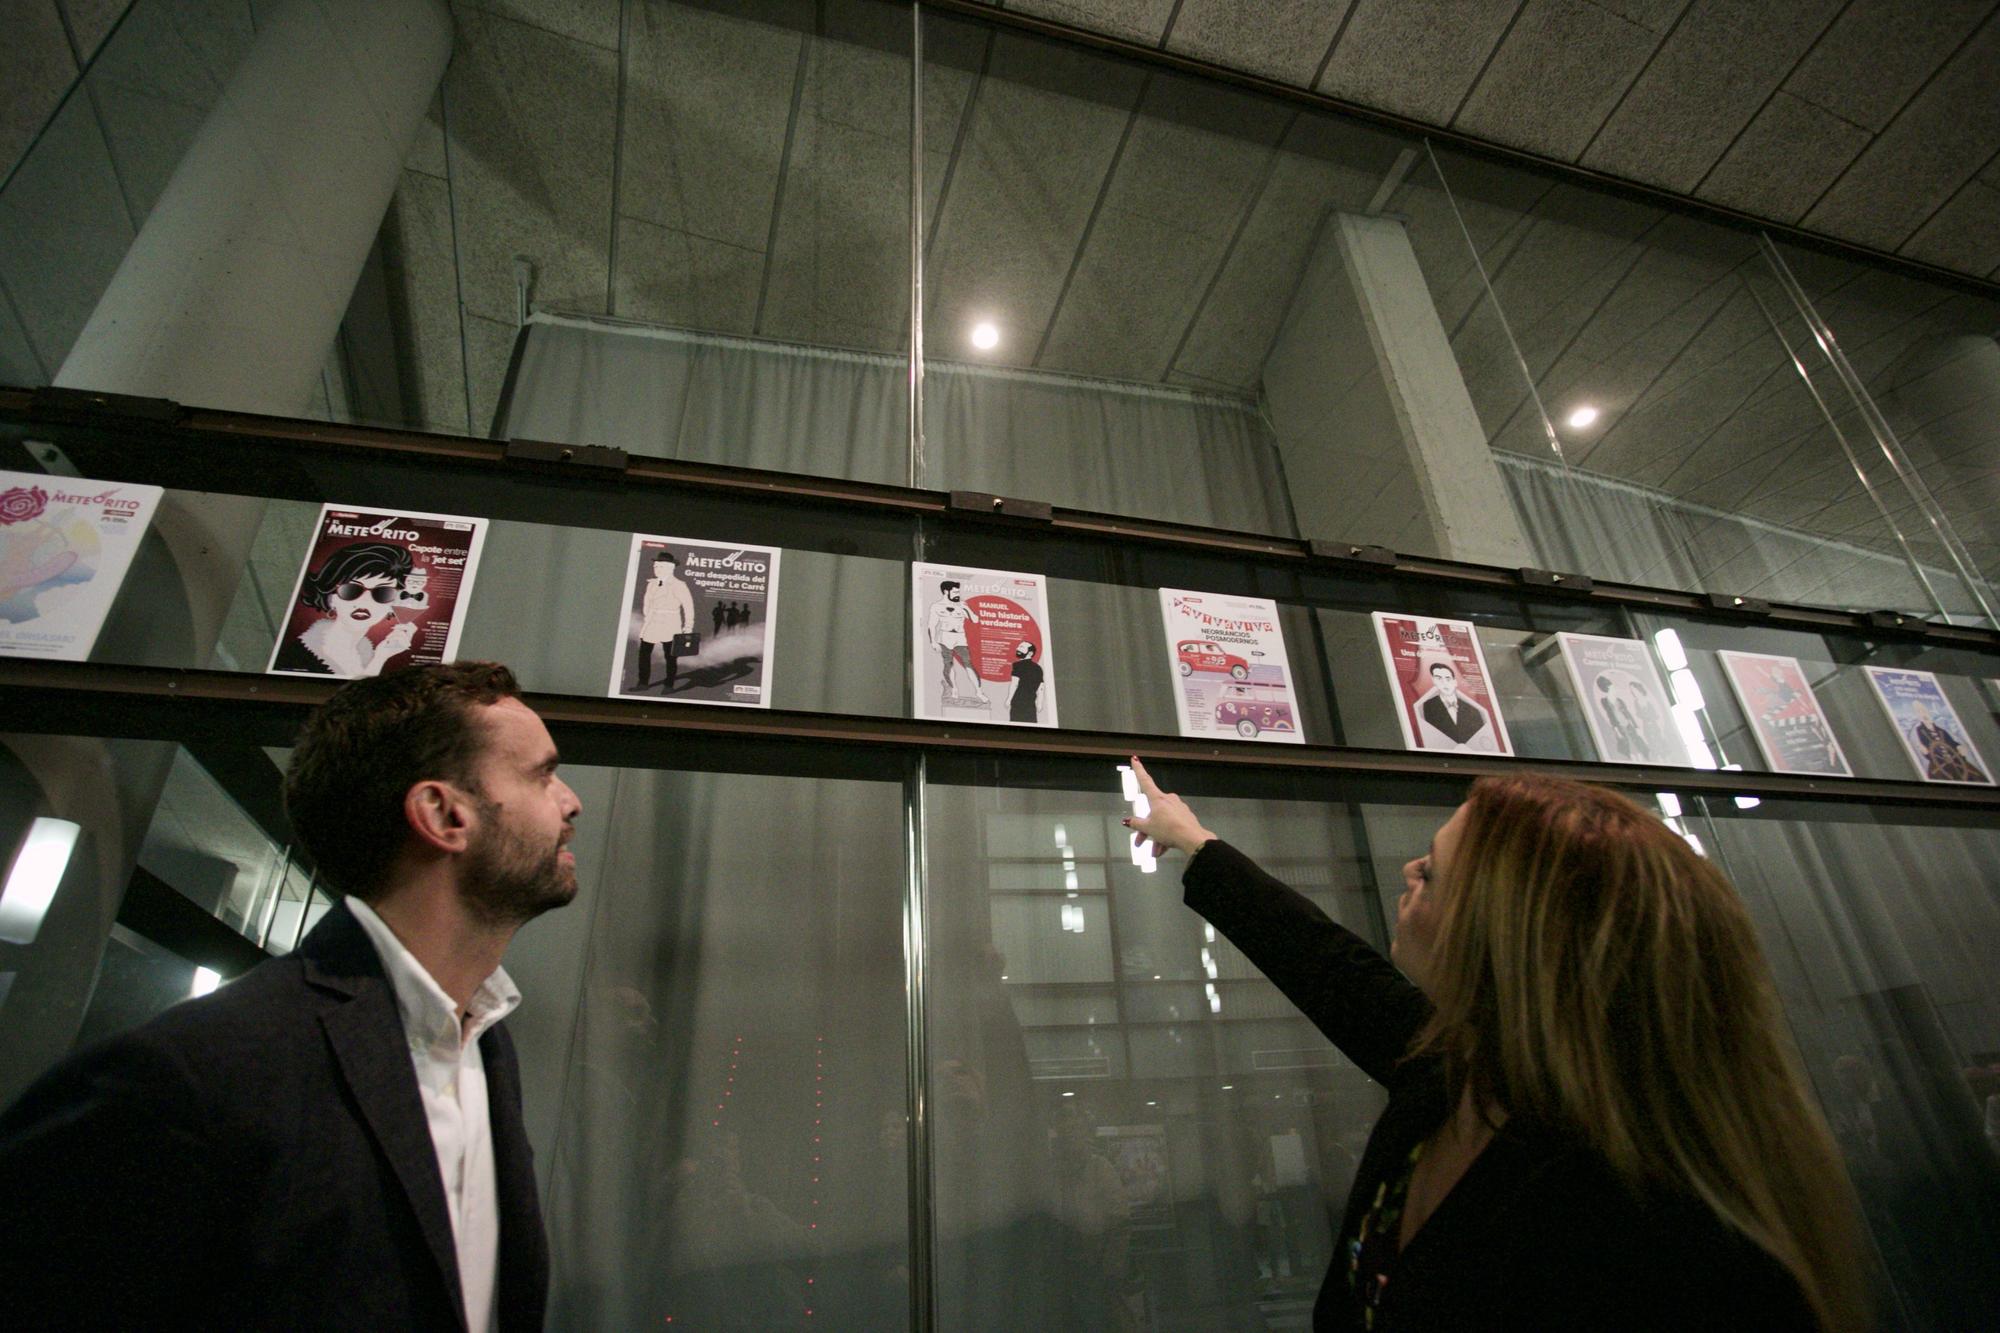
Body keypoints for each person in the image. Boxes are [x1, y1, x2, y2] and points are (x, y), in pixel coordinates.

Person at [1124, 759, 1865, 1332]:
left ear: (1509, 938)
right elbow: (1330, 967)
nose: (1410, 872)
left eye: (1436, 872)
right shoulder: (1463, 1077)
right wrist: (1195, 841)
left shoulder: (1665, 1245)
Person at [0, 662, 581, 1329]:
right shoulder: (193, 1074)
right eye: (540, 773)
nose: (570, 802)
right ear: (444, 814)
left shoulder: (484, 1044)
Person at [271, 539, 425, 678]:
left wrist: (381, 657)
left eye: (382, 593)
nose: (364, 602)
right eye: (352, 590)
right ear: (331, 596)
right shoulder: (295, 658)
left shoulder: (366, 655)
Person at [638, 549, 696, 693]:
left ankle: (669, 685)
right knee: (644, 653)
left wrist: (688, 627)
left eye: (661, 566)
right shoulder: (651, 583)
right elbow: (647, 602)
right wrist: (647, 616)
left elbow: (688, 607)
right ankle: (643, 683)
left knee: (670, 656)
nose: (657, 569)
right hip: (652, 622)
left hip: (670, 623)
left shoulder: (679, 585)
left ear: (671, 568)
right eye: (656, 566)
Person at [926, 578, 986, 705]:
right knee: (948, 664)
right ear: (946, 592)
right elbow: (931, 625)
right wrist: (933, 641)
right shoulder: (936, 606)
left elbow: (975, 620)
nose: (958, 594)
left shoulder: (962, 605)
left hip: (960, 638)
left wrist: (967, 609)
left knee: (968, 664)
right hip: (944, 637)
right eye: (955, 592)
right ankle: (954, 688)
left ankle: (979, 691)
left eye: (958, 592)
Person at [1415, 661, 1488, 749]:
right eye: (1439, 678)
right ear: (1434, 681)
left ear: (1455, 682)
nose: (1444, 683)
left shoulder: (1473, 710)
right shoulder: (1428, 706)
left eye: (1448, 678)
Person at [1007, 639, 1044, 724]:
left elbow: (1014, 684)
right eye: (1018, 646)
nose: (1018, 649)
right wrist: (1039, 703)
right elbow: (1041, 688)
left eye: (1021, 647)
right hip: (1031, 703)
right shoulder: (1038, 668)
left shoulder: (1017, 665)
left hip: (1018, 701)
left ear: (1030, 653)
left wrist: (1009, 699)